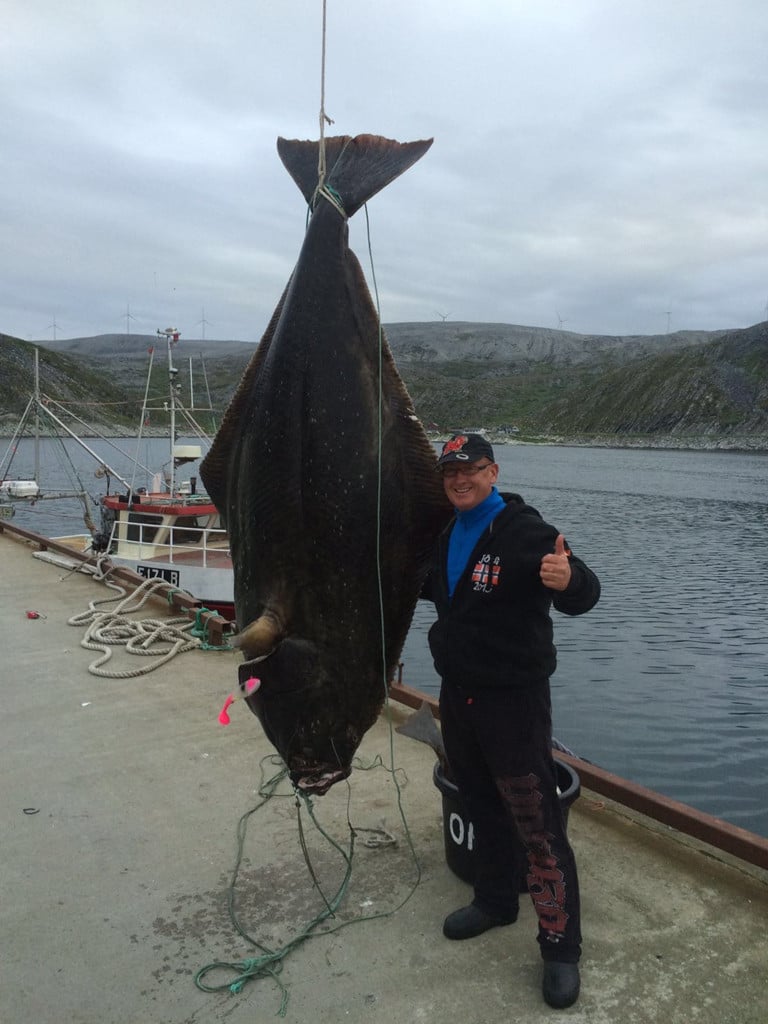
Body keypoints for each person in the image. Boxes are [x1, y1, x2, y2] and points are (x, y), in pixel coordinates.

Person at [422, 433, 601, 1010]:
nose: (460, 480)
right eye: (451, 473)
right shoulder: (446, 533)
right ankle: (495, 901)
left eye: (470, 470)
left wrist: (567, 580)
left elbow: (585, 591)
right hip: (459, 697)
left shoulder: (526, 532)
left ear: (492, 472)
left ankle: (560, 949)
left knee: (538, 823)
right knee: (480, 805)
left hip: (514, 703)